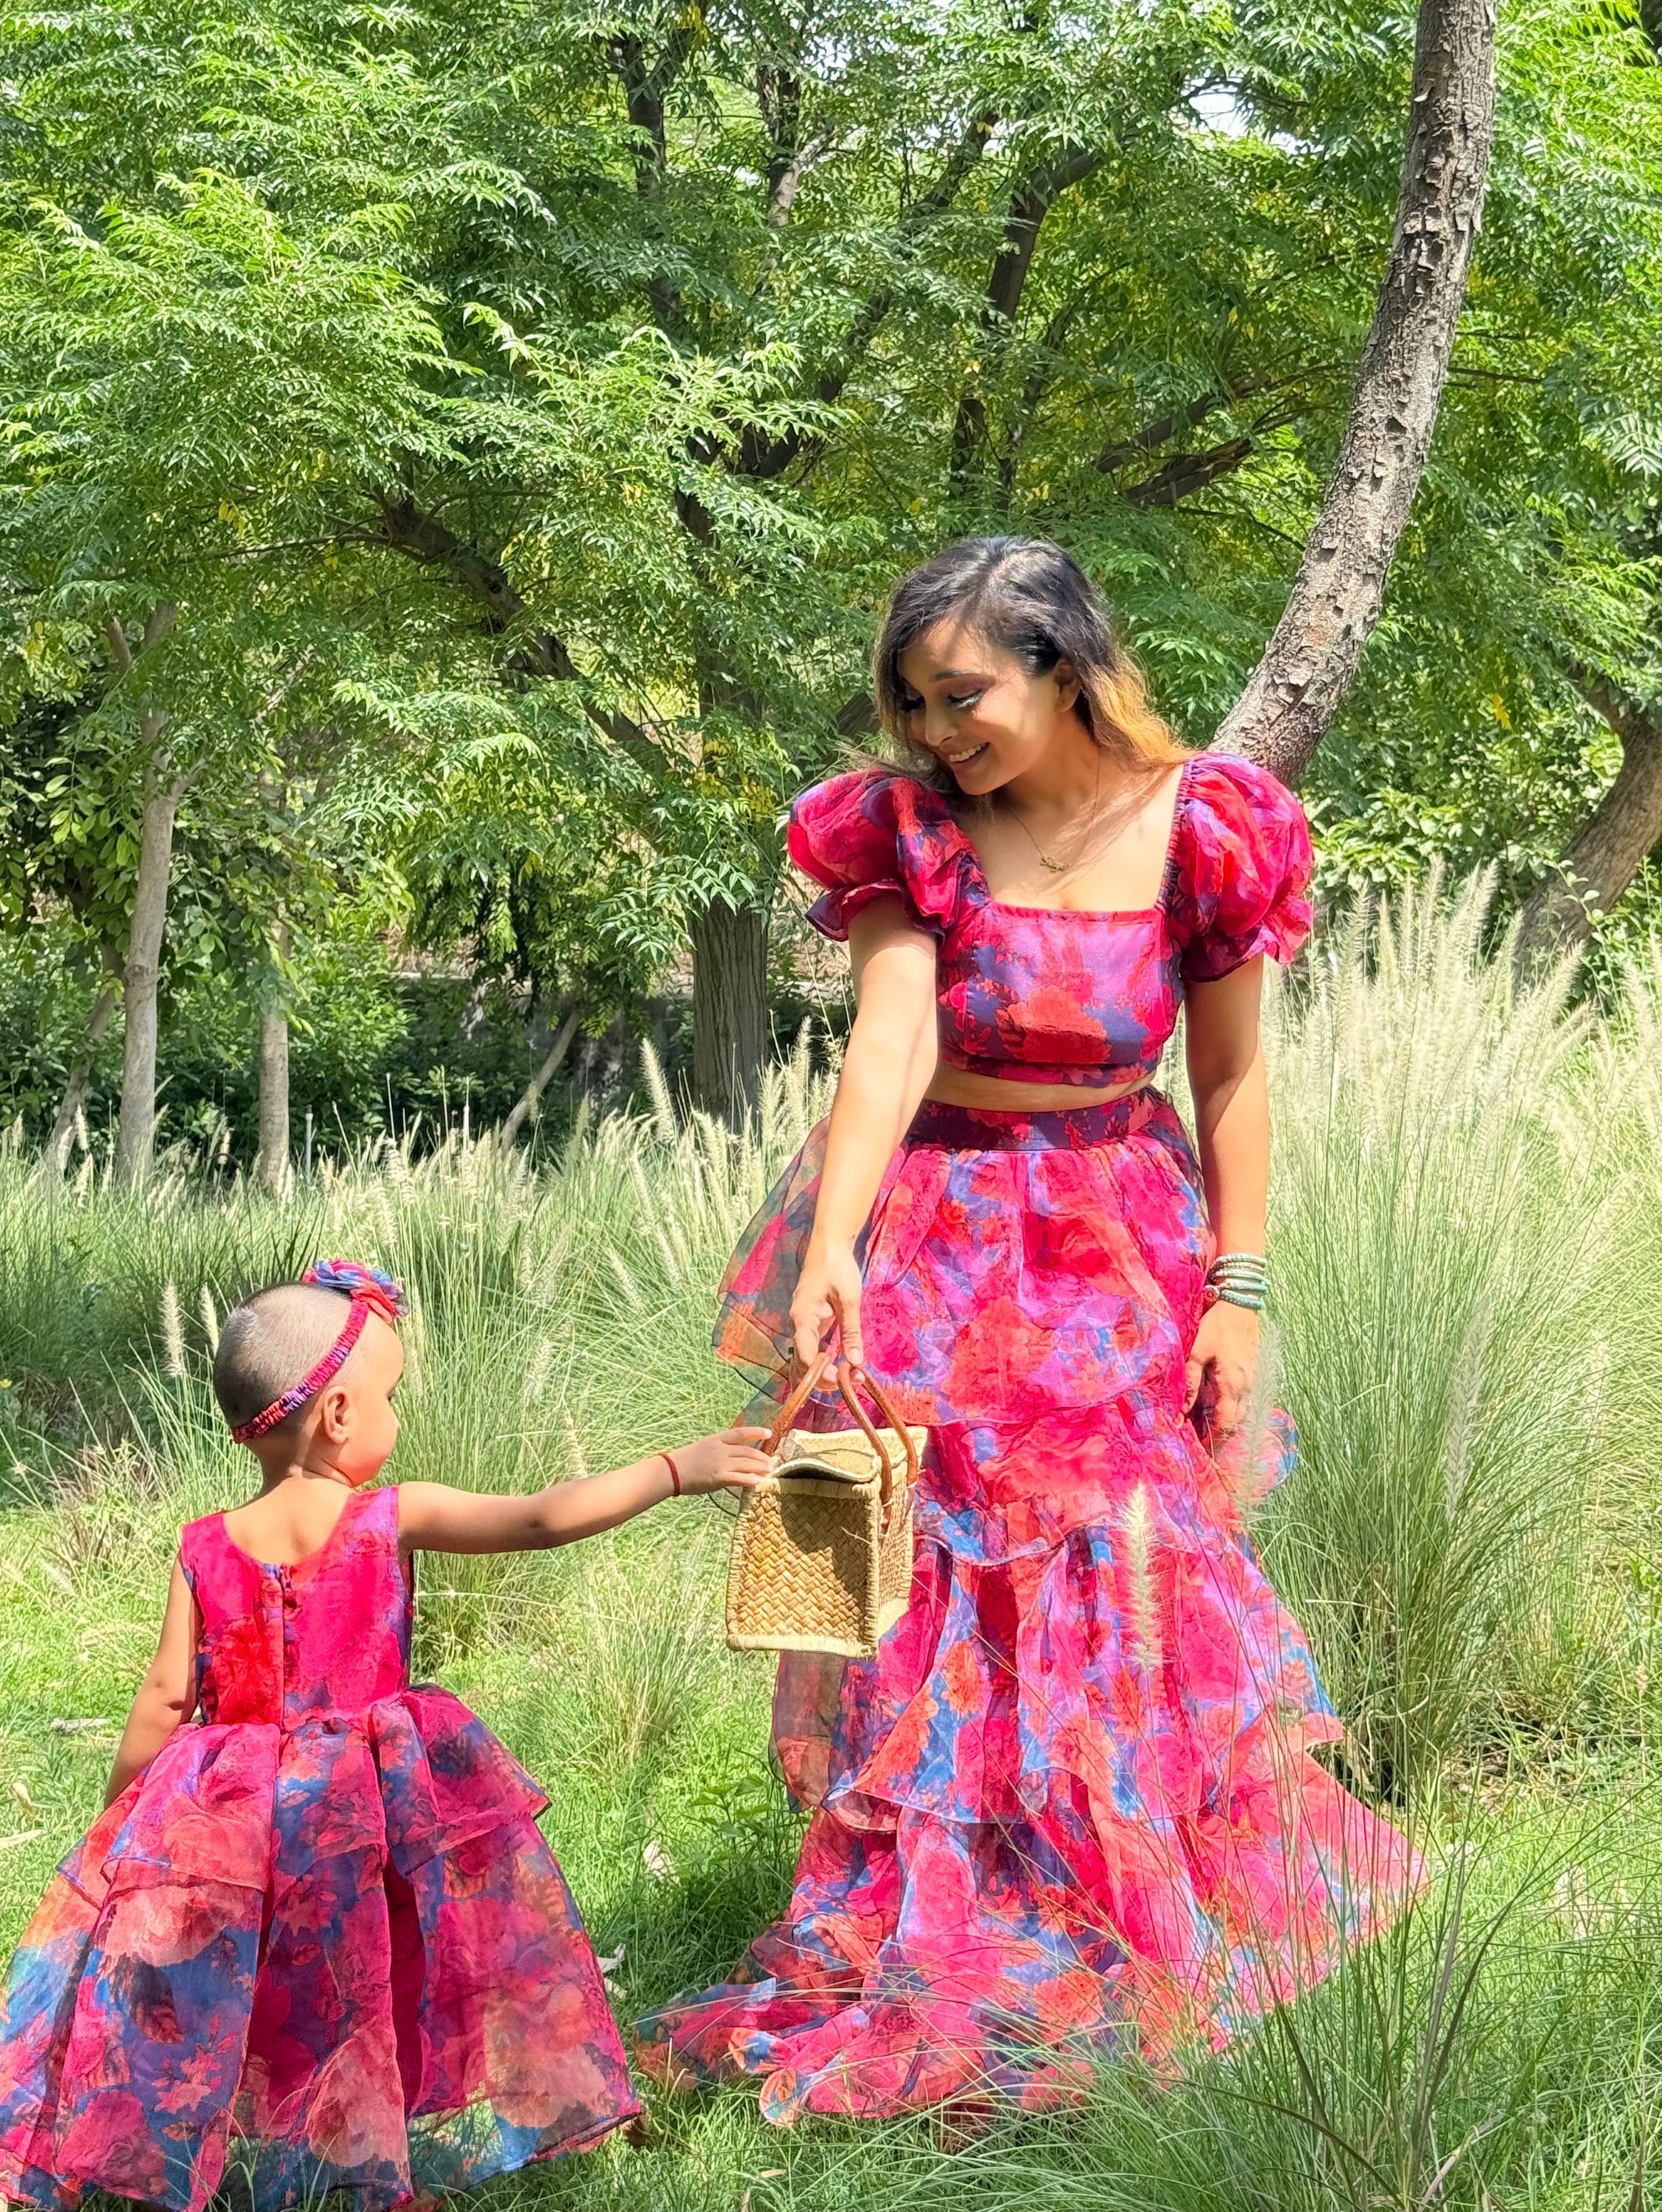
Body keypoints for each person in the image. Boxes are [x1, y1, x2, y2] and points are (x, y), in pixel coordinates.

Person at [638, 535, 1422, 2122]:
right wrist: (834, 1247)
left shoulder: (1206, 827)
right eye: (915, 702)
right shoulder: (912, 831)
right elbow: (888, 1043)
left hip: (1125, 1242)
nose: (939, 731)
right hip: (940, 1237)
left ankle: (1126, 1900)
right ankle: (958, 1916)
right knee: (939, 1586)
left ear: (1066, 666)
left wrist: (1241, 1290)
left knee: (1128, 1571)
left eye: (966, 695)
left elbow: (1231, 1078)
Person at [0, 1259, 773, 2212]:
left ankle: (271, 2147)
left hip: (234, 1817)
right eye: (391, 1397)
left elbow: (165, 1697)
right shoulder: (391, 1514)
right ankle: (363, 2159)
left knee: (243, 1980)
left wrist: (123, 1820)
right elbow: (541, 1520)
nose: (397, 1416)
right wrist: (674, 1470)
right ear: (338, 1416)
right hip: (362, 1808)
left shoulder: (206, 1544)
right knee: (374, 1970)